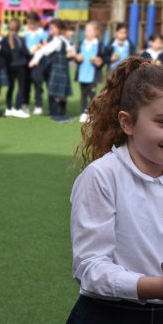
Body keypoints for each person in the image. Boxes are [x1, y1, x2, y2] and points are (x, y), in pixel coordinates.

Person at [67, 56, 163, 324]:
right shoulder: (102, 176)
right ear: (127, 122)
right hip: (109, 314)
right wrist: (153, 286)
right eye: (162, 122)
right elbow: (90, 267)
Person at [29, 19, 72, 122]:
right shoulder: (56, 40)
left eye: (53, 27)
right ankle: (56, 115)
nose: (51, 29)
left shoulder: (61, 39)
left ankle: (63, 113)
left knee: (62, 93)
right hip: (57, 68)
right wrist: (35, 60)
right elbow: (45, 50)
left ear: (60, 29)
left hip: (63, 68)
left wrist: (71, 53)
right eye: (50, 27)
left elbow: (70, 49)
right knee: (58, 93)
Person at [74, 21, 104, 123]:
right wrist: (77, 58)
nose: (87, 32)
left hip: (92, 74)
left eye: (89, 30)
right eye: (86, 30)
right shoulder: (82, 43)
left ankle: (91, 113)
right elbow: (76, 58)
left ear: (95, 32)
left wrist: (98, 61)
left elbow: (102, 59)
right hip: (82, 73)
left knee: (92, 94)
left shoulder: (99, 44)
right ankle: (83, 112)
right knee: (83, 93)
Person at [3, 17, 30, 118]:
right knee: (11, 87)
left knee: (21, 87)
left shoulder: (21, 38)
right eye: (13, 25)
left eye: (15, 25)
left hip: (21, 65)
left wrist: (33, 55)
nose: (14, 27)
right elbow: (8, 51)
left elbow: (25, 51)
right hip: (12, 66)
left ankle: (16, 108)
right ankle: (10, 108)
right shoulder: (5, 38)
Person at [23, 11, 48, 115]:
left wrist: (39, 47)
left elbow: (46, 45)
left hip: (38, 60)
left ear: (38, 22)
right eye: (29, 23)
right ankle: (26, 104)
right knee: (26, 83)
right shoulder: (26, 33)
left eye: (33, 23)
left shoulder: (43, 33)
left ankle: (38, 105)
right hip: (26, 60)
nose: (31, 25)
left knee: (38, 83)